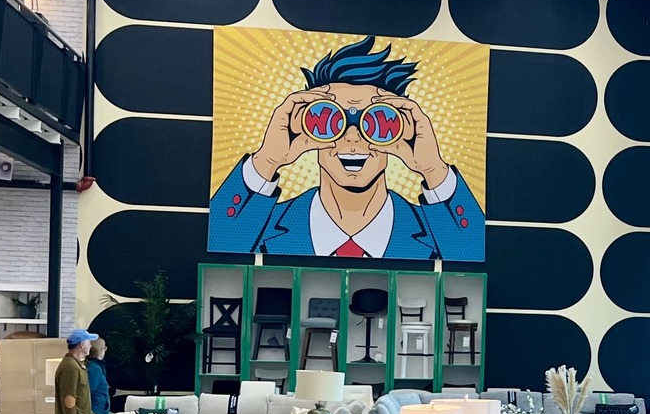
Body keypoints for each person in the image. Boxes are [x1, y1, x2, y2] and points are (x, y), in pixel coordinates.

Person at [207, 36, 483, 261]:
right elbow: (219, 246)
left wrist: (433, 169)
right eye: (326, 120)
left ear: (402, 131)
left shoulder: (439, 233)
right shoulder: (260, 226)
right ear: (303, 128)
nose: (353, 138)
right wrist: (267, 160)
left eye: (378, 122)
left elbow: (471, 255)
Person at [87, 337, 113, 414]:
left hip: (97, 410)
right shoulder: (95, 368)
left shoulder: (94, 366)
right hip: (95, 410)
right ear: (101, 350)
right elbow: (88, 391)